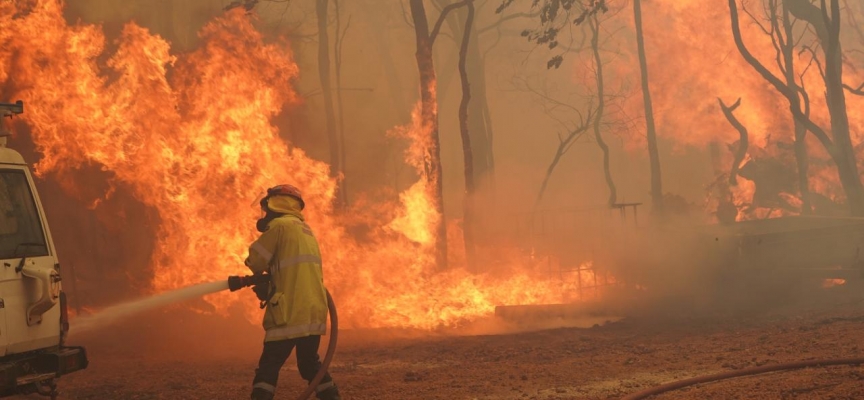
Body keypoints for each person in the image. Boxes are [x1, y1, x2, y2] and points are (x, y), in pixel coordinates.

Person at [244, 184, 341, 400]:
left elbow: (256, 260)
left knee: (268, 366)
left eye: (266, 207)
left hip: (288, 313)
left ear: (275, 203)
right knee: (309, 365)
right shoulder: (306, 231)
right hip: (313, 311)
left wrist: (254, 267)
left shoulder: (279, 226)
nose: (265, 213)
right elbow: (295, 273)